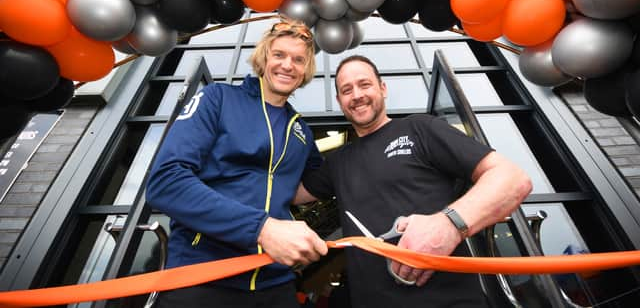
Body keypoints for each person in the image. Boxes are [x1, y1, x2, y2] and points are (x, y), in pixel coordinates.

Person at [295, 55, 533, 308]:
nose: (356, 95)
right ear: (340, 101)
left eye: (364, 84)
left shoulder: (419, 128)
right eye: (346, 90)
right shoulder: (338, 162)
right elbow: (287, 194)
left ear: (382, 88)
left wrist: (449, 224)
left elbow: (512, 179)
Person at [146, 18, 328, 308]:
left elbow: (314, 184)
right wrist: (262, 229)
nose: (287, 65)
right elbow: (166, 182)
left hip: (275, 283)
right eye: (279, 55)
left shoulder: (301, 131)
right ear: (263, 57)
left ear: (306, 69)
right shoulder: (217, 98)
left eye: (298, 59)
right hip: (202, 276)